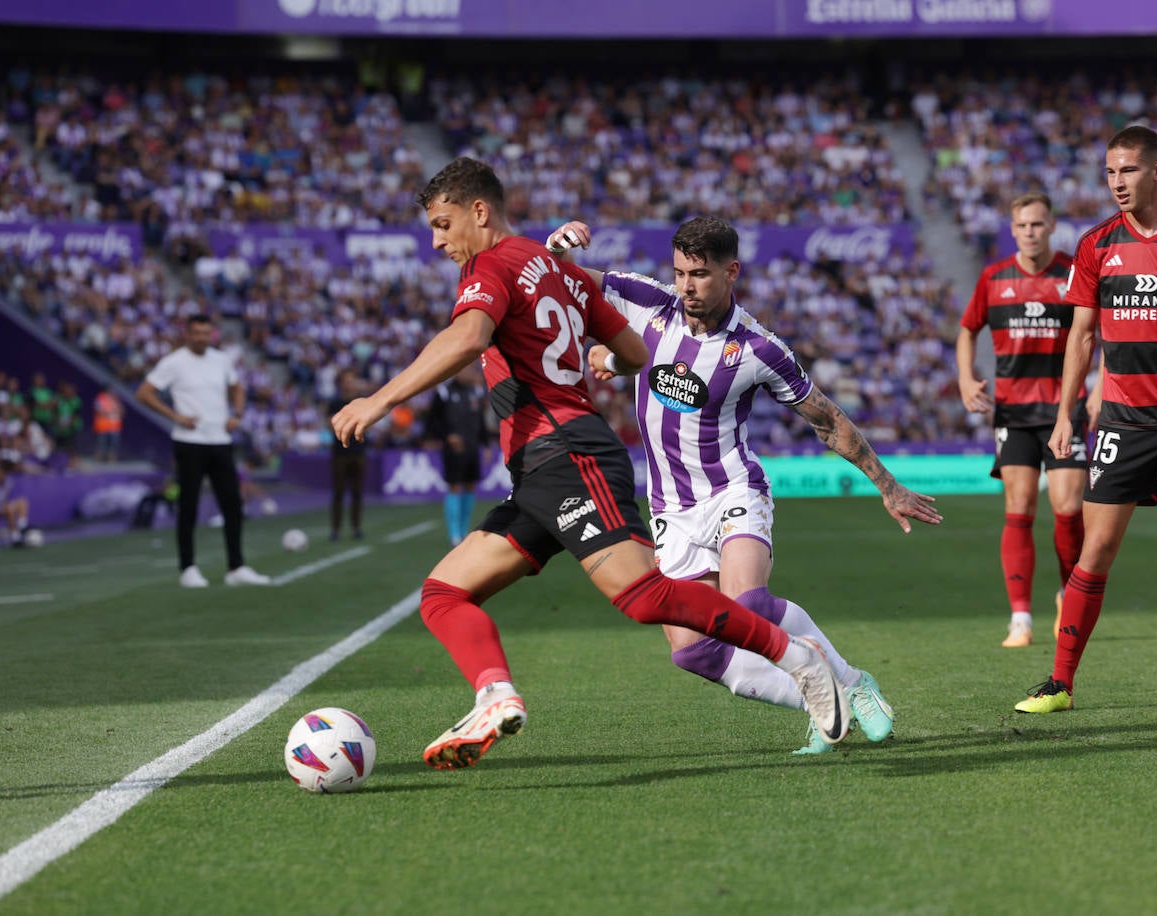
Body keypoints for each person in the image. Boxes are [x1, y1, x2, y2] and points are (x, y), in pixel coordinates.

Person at [330, 157, 852, 771]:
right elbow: (633, 352)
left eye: (443, 224)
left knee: (643, 595)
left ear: (480, 211)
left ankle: (795, 657)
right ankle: (495, 694)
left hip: (568, 453)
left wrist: (379, 398)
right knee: (443, 594)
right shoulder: (558, 270)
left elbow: (469, 338)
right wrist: (599, 361)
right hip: (538, 469)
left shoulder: (489, 266)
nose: (438, 241)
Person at [545, 216, 944, 754]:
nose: (687, 286)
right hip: (671, 508)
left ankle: (853, 681)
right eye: (681, 272)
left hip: (733, 489)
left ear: (732, 272)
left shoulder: (758, 348)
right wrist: (556, 250)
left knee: (748, 601)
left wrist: (887, 485)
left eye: (701, 275)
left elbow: (825, 418)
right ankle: (822, 699)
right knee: (692, 651)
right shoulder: (647, 302)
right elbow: (568, 281)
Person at [1016, 125, 1157, 714]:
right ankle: (1060, 684)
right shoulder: (1097, 244)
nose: (1117, 182)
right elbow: (1082, 335)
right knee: (1095, 551)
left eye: (1127, 171)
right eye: (1110, 172)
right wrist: (1066, 412)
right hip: (1122, 419)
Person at [956, 191, 1098, 649]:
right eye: (1022, 225)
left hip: (1065, 409)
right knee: (1018, 509)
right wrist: (965, 377)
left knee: (1069, 509)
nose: (1030, 232)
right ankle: (1020, 618)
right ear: (1012, 229)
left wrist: (1103, 386)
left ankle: (1067, 597)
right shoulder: (995, 278)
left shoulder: (1073, 275)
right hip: (1014, 410)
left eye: (1037, 224)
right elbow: (967, 329)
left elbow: (1102, 331)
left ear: (1051, 225)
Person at [137, 314, 270, 589]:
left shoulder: (220, 360)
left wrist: (238, 413)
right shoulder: (174, 362)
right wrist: (174, 416)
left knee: (232, 504)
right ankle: (188, 568)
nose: (201, 337)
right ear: (187, 334)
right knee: (188, 505)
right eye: (196, 332)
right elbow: (144, 393)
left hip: (219, 439)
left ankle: (236, 566)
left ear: (212, 335)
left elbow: (237, 388)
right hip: (189, 440)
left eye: (206, 333)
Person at [424, 361, 490, 546]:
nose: (469, 372)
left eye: (471, 369)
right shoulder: (444, 393)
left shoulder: (476, 392)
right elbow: (431, 422)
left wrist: (485, 445)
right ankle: (454, 533)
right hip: (453, 449)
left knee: (470, 486)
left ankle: (464, 529)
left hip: (472, 447)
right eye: (465, 368)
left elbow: (480, 421)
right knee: (454, 486)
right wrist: (448, 436)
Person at [327, 369, 368, 542]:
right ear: (341, 383)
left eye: (352, 380)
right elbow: (333, 425)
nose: (349, 383)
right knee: (339, 492)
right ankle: (336, 529)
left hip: (358, 452)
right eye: (346, 380)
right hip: (341, 453)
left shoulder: (361, 402)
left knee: (357, 492)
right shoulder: (335, 403)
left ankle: (356, 527)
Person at [0, 454, 29, 547]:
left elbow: (11, 499)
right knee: (9, 509)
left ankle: (23, 526)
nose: (3, 474)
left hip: (3, 506)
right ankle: (15, 537)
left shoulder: (9, 482)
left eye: (5, 472)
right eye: (1, 471)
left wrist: (7, 504)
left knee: (22, 501)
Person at [93, 383, 124, 463]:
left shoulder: (116, 399)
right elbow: (99, 410)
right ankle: (99, 459)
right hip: (103, 426)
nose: (113, 392)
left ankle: (111, 460)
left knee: (114, 444)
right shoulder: (100, 398)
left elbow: (121, 411)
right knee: (101, 444)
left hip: (114, 426)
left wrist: (116, 411)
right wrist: (111, 412)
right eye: (111, 390)